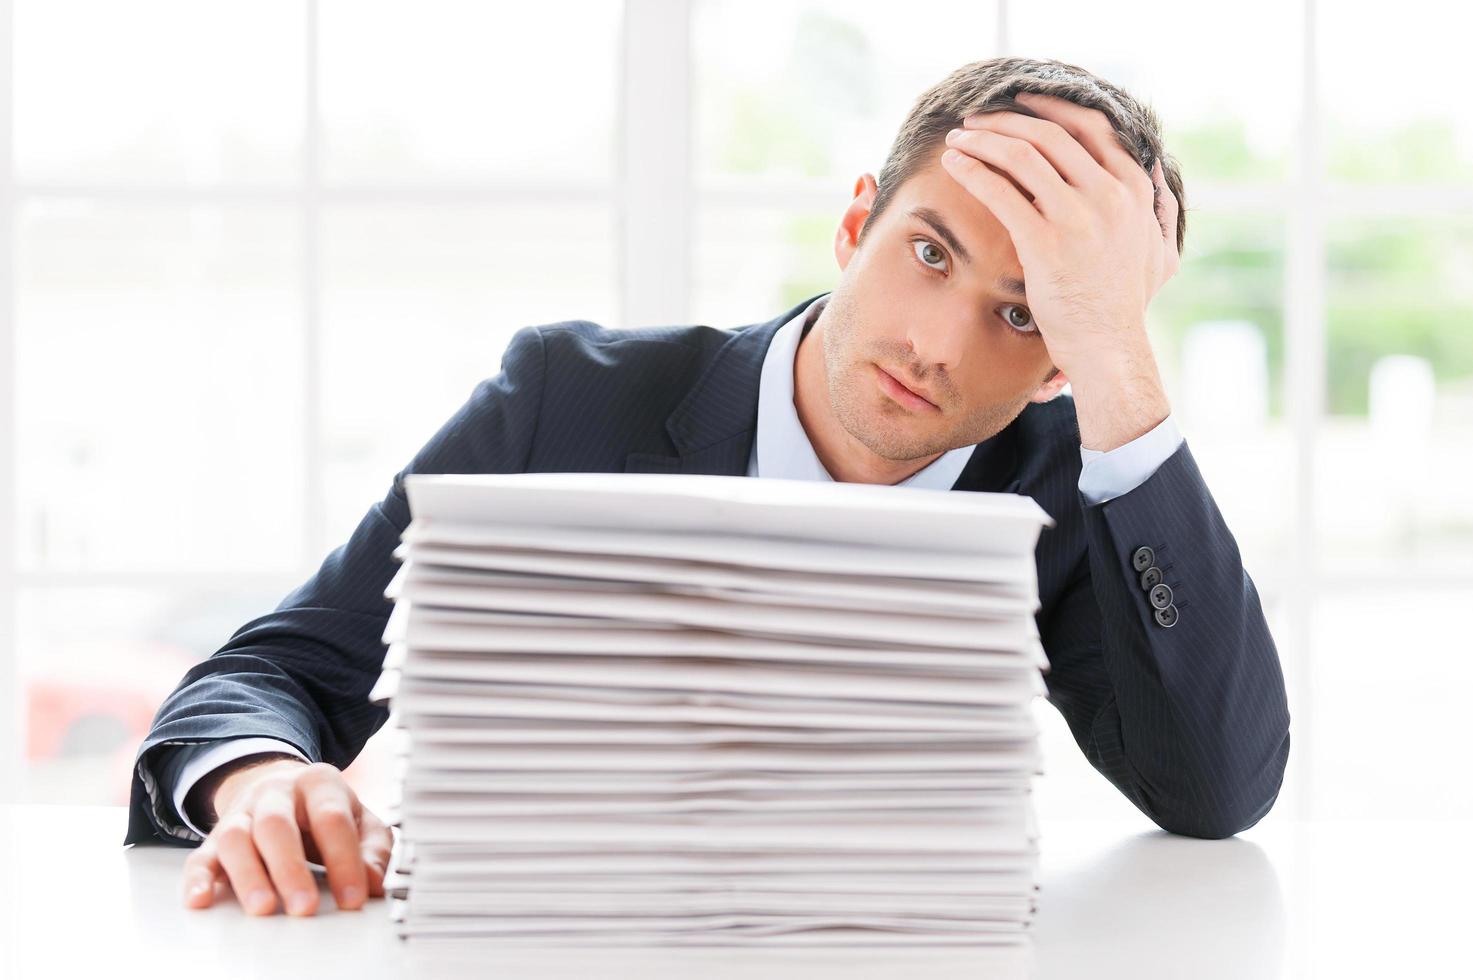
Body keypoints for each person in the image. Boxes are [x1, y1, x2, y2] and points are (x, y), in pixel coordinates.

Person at [123, 56, 1291, 917]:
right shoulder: (566, 400)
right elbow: (267, 672)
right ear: (854, 223)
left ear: (1058, 364)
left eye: (1024, 311)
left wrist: (1119, 364)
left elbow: (1216, 787)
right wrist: (262, 780)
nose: (936, 342)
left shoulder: (1069, 489)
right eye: (929, 252)